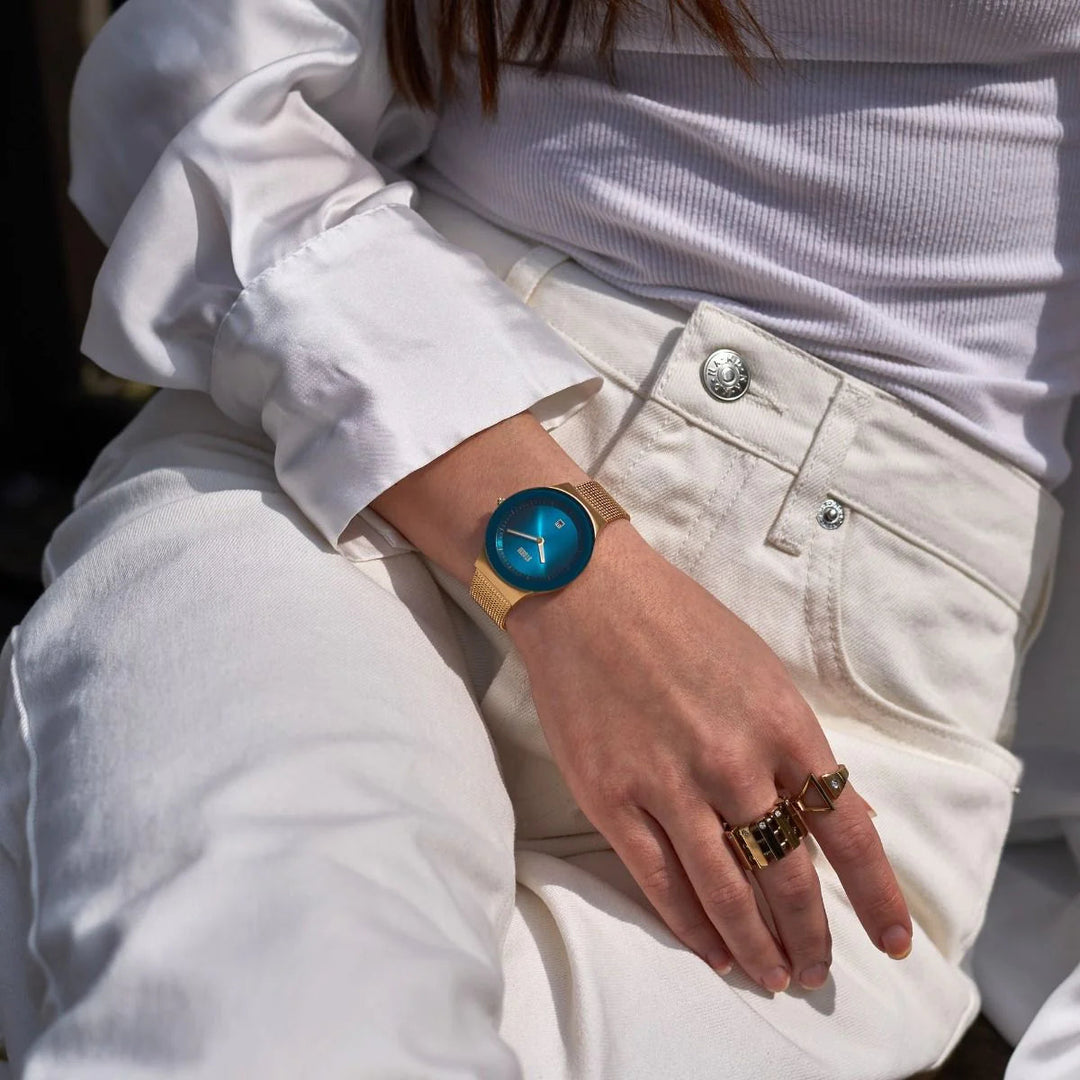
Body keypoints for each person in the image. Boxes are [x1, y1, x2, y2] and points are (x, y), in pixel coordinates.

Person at [0, 0, 1073, 1075]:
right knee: (272, 999)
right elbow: (200, 78)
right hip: (357, 465)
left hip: (837, 745)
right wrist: (582, 586)